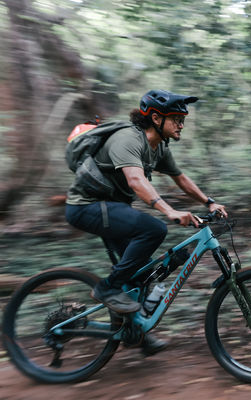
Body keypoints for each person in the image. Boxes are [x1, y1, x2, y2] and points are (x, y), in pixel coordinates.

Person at [65, 89, 227, 355]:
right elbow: (135, 181)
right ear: (155, 117)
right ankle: (107, 289)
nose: (181, 125)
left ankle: (135, 331)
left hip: (110, 209)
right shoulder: (128, 138)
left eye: (182, 119)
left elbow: (181, 178)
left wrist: (209, 202)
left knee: (141, 273)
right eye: (176, 119)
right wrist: (169, 211)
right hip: (85, 207)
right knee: (154, 229)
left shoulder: (159, 146)